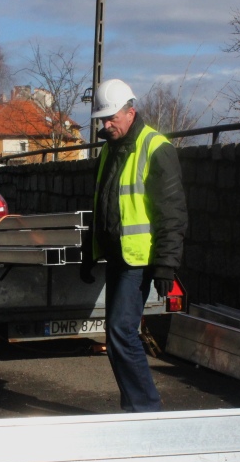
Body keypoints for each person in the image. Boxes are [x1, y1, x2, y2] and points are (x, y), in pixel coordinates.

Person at [80, 79, 188, 412]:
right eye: (102, 119)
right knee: (117, 338)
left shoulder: (155, 147)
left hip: (138, 260)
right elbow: (102, 205)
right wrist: (90, 252)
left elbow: (172, 211)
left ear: (131, 110)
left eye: (111, 117)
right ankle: (134, 411)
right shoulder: (111, 149)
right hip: (118, 256)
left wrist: (166, 264)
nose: (106, 124)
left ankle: (146, 411)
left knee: (120, 333)